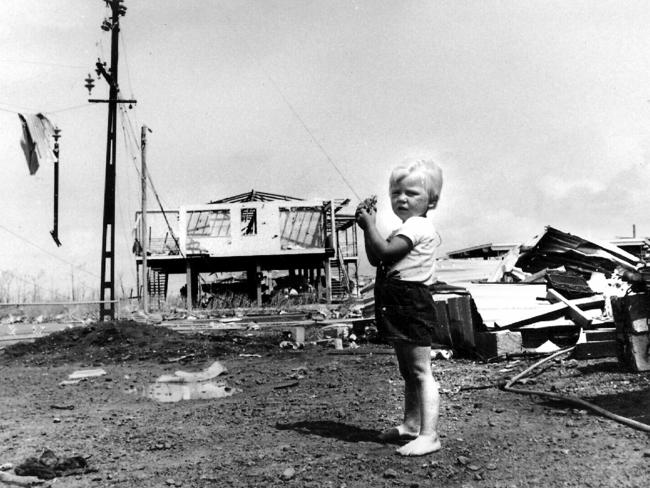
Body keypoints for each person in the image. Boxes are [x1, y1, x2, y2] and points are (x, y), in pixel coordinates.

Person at [355, 158, 443, 456]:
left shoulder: (417, 226)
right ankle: (410, 424)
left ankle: (429, 435)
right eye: (396, 193)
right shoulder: (402, 228)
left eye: (411, 193)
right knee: (408, 372)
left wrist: (369, 225)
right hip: (397, 301)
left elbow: (383, 251)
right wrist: (369, 226)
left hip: (411, 303)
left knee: (421, 371)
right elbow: (376, 257)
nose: (402, 199)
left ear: (431, 200)